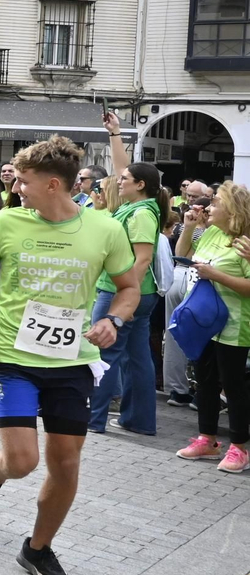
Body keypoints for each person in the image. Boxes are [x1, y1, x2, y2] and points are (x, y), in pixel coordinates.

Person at [0, 136, 139, 575]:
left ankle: (37, 549)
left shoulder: (104, 230)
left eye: (22, 183)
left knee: (66, 463)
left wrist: (114, 319)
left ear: (53, 184)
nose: (15, 189)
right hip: (11, 358)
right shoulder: (7, 222)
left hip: (71, 361)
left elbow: (128, 288)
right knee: (21, 461)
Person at [87, 113, 168, 436]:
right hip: (138, 293)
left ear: (140, 185)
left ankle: (94, 418)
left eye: (125, 179)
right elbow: (124, 168)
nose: (119, 180)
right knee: (137, 358)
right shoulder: (137, 205)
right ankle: (139, 420)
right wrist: (115, 134)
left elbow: (143, 259)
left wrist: (126, 297)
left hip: (123, 292)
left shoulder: (141, 214)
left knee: (103, 352)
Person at [175, 182, 250, 472]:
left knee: (232, 387)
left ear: (232, 208)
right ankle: (207, 439)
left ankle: (239, 447)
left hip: (235, 324)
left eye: (216, 202)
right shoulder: (211, 233)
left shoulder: (244, 241)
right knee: (204, 382)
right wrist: (189, 226)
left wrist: (215, 275)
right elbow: (184, 255)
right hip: (204, 322)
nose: (208, 207)